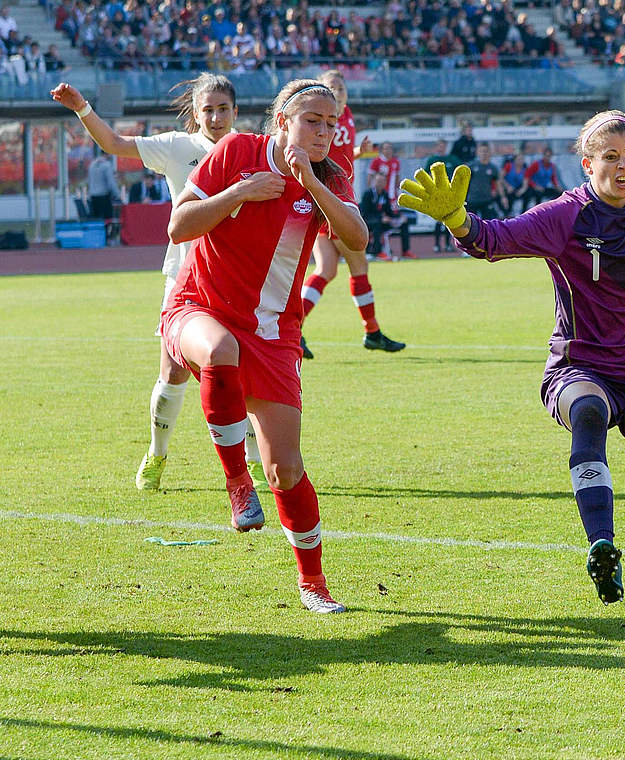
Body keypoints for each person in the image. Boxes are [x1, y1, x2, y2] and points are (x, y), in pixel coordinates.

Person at [397, 110, 625, 604]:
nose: (624, 166)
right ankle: (602, 545)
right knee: (588, 412)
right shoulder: (566, 215)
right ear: (587, 165)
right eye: (610, 157)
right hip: (579, 366)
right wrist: (458, 220)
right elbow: (493, 239)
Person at [164, 78, 368, 613]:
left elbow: (357, 238)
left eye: (331, 124)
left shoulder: (330, 174)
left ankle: (314, 583)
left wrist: (312, 182)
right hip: (198, 309)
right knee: (219, 350)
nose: (324, 132)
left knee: (287, 469)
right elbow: (178, 225)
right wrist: (238, 193)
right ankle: (236, 483)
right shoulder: (237, 151)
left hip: (275, 336)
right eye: (312, 121)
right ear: (283, 121)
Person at [51, 74, 271, 494]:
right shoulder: (177, 147)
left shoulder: (253, 150)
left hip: (241, 279)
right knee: (172, 371)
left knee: (243, 370)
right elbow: (115, 144)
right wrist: (82, 107)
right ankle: (157, 453)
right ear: (196, 114)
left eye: (224, 108)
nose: (216, 116)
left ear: (236, 111)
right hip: (186, 278)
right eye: (208, 109)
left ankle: (254, 460)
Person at [297, 68, 404, 359]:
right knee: (359, 265)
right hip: (334, 198)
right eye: (333, 87)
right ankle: (371, 332)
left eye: (342, 88)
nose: (339, 92)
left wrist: (357, 151)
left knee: (326, 270)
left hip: (329, 196)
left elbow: (337, 151)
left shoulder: (343, 116)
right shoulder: (325, 118)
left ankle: (295, 328)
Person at [424, 138, 457, 251]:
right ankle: (437, 245)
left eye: (443, 145)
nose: (441, 147)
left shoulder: (452, 159)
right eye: (439, 145)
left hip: (450, 195)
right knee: (438, 220)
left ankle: (448, 244)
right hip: (437, 195)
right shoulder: (432, 159)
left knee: (450, 220)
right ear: (436, 147)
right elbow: (426, 175)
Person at [464, 142, 505, 221]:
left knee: (487, 224)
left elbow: (498, 184)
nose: (484, 153)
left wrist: (503, 197)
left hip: (486, 200)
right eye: (481, 151)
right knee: (471, 224)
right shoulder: (471, 166)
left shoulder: (493, 168)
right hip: (472, 200)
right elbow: (464, 183)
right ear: (478, 153)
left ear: (490, 153)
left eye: (486, 151)